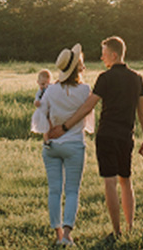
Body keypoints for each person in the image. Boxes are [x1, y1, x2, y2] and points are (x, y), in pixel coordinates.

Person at [48, 36, 143, 240]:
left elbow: (88, 106)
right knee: (126, 180)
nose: (102, 57)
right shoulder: (137, 78)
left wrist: (65, 126)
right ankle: (130, 228)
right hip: (126, 136)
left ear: (113, 55)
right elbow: (142, 112)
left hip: (106, 136)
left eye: (104, 53)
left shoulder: (105, 78)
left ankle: (117, 231)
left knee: (110, 182)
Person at [31, 44, 94, 246]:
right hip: (75, 144)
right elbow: (88, 118)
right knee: (72, 190)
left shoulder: (50, 90)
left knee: (54, 190)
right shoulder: (85, 90)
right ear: (78, 68)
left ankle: (58, 235)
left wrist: (50, 132)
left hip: (52, 146)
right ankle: (67, 235)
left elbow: (41, 116)